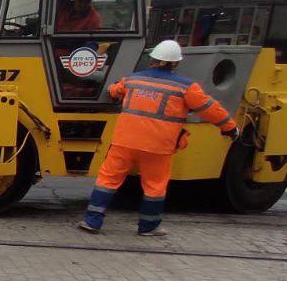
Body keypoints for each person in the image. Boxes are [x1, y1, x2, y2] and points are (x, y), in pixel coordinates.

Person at [78, 40, 238, 236]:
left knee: (108, 180)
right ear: (176, 63)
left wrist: (112, 89)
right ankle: (148, 227)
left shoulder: (132, 80)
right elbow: (210, 109)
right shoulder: (186, 87)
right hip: (158, 146)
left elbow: (113, 91)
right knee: (154, 186)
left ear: (152, 60)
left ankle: (92, 221)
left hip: (124, 142)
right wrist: (230, 128)